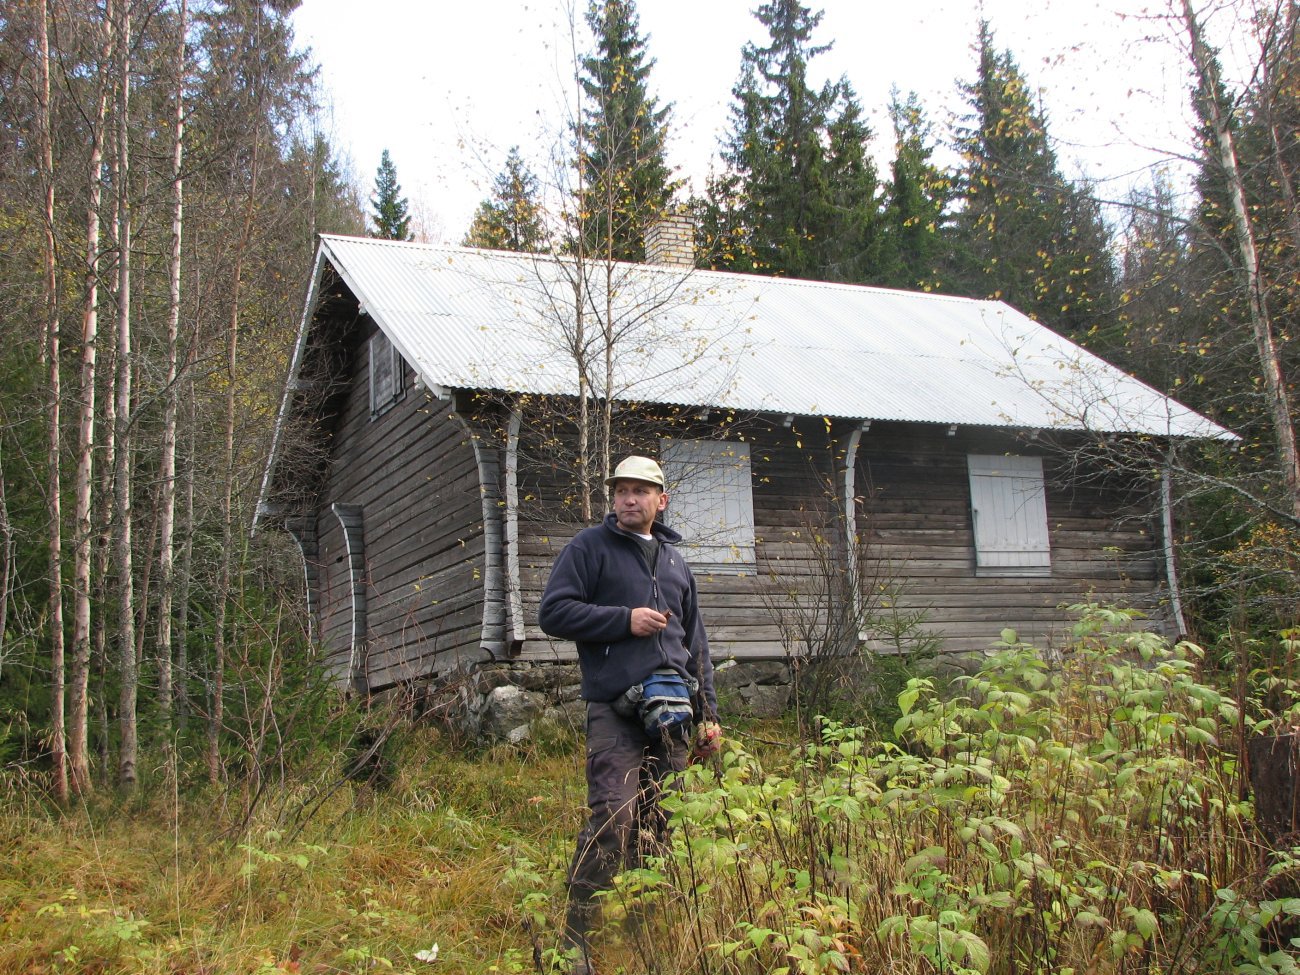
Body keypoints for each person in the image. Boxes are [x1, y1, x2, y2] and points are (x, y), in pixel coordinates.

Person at [539, 455, 722, 975]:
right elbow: (553, 612)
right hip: (615, 711)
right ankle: (575, 939)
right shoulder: (589, 547)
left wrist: (708, 714)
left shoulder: (675, 560)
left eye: (641, 490)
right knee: (613, 819)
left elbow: (696, 644)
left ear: (661, 500)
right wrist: (625, 620)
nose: (628, 498)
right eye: (621, 489)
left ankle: (642, 922)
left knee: (660, 822)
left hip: (673, 713)